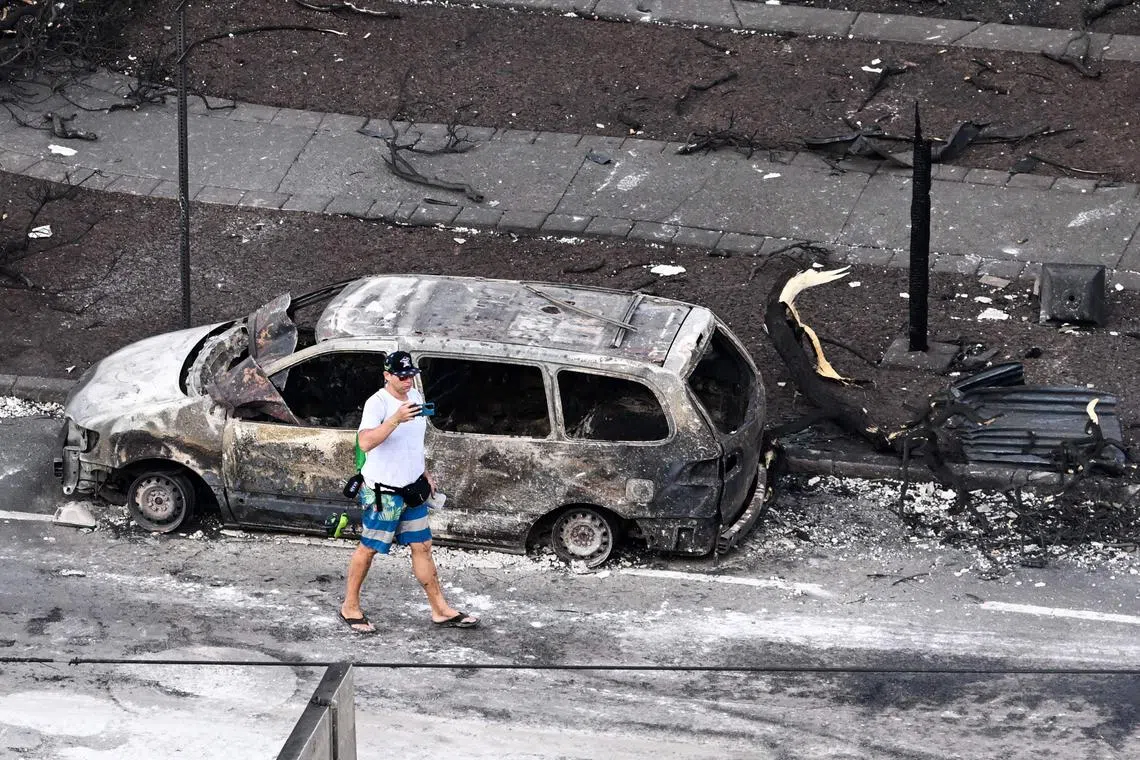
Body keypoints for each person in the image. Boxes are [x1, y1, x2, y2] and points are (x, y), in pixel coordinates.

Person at [339, 351, 479, 634]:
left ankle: (440, 609)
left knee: (423, 546)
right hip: (384, 494)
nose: (407, 381)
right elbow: (364, 443)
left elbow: (413, 442)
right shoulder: (377, 403)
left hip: (412, 490)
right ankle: (349, 606)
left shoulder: (415, 398)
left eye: (410, 375)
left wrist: (424, 472)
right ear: (387, 375)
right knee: (368, 548)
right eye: (401, 376)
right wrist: (394, 419)